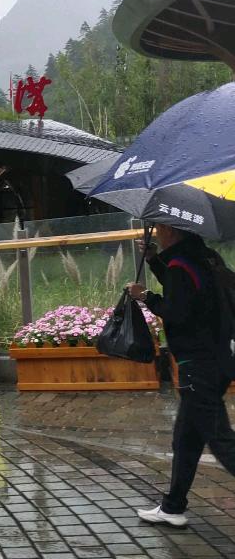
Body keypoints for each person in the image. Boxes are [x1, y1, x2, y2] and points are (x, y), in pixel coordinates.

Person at [129, 223, 235, 528]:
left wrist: (145, 296)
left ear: (173, 231)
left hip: (196, 364)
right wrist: (154, 260)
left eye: (161, 227)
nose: (158, 232)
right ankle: (172, 507)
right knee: (186, 440)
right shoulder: (206, 257)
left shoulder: (179, 265)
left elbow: (177, 311)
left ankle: (173, 506)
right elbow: (188, 292)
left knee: (222, 441)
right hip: (218, 360)